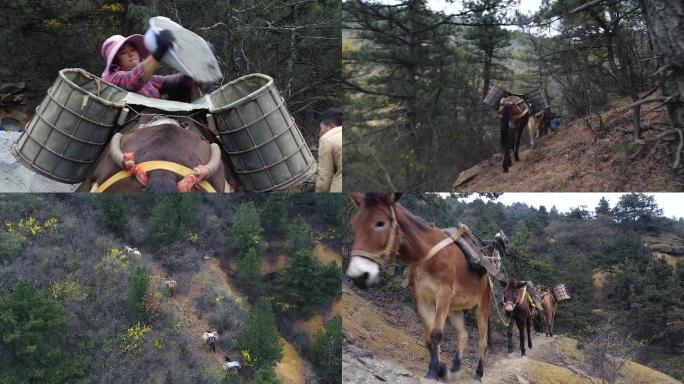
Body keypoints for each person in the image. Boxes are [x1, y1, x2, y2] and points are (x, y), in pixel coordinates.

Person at [101, 31, 193, 99]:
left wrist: (192, 72)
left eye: (133, 50)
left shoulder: (150, 79)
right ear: (115, 60)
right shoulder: (113, 79)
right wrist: (159, 52)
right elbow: (133, 80)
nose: (131, 54)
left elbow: (170, 81)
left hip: (159, 119)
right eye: (123, 52)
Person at [315, 107, 342, 192]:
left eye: (321, 128)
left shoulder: (327, 139)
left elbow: (324, 179)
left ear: (330, 126)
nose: (320, 133)